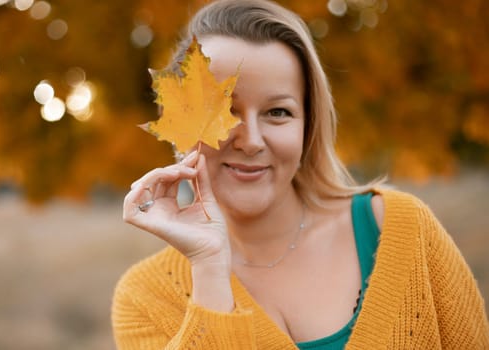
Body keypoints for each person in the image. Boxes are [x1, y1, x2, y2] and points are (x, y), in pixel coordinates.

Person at [112, 0, 489, 348]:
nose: (252, 141)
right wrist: (210, 271)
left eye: (278, 112)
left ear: (308, 126)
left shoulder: (402, 230)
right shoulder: (145, 298)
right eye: (225, 111)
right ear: (178, 123)